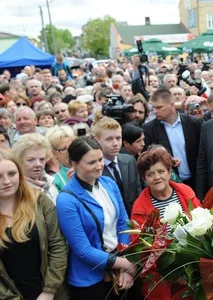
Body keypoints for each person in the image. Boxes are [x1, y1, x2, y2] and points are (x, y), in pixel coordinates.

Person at [56, 136, 136, 300]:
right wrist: (126, 264)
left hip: (120, 267)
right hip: (90, 280)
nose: (99, 166)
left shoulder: (109, 183)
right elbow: (83, 250)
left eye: (100, 159)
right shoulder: (66, 199)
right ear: (74, 164)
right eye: (91, 162)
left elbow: (123, 223)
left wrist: (125, 262)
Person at [132, 148, 200, 299]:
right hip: (162, 280)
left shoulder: (186, 192)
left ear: (169, 172)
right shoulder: (140, 208)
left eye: (161, 171)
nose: (157, 177)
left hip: (195, 273)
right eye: (150, 174)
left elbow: (202, 225)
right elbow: (141, 250)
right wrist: (173, 272)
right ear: (144, 178)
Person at [0, 149, 68, 300]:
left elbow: (58, 245)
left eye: (12, 174)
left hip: (51, 293)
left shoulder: (39, 201)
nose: (6, 181)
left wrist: (49, 290)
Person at [143, 88, 201, 190]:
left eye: (159, 107)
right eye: (154, 108)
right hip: (169, 185)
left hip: (196, 181)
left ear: (172, 105)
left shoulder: (194, 123)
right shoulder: (148, 129)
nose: (155, 111)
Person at [93, 117, 141, 217]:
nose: (115, 144)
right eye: (109, 139)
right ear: (97, 141)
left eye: (118, 138)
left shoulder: (129, 161)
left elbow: (138, 193)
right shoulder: (94, 169)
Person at [12, 133, 59, 203]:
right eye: (31, 160)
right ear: (19, 161)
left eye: (42, 159)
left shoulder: (49, 181)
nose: (38, 164)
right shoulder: (16, 189)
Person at [46, 126, 75, 192]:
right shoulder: (56, 181)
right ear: (54, 153)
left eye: (72, 146)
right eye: (63, 149)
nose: (69, 151)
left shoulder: (90, 167)